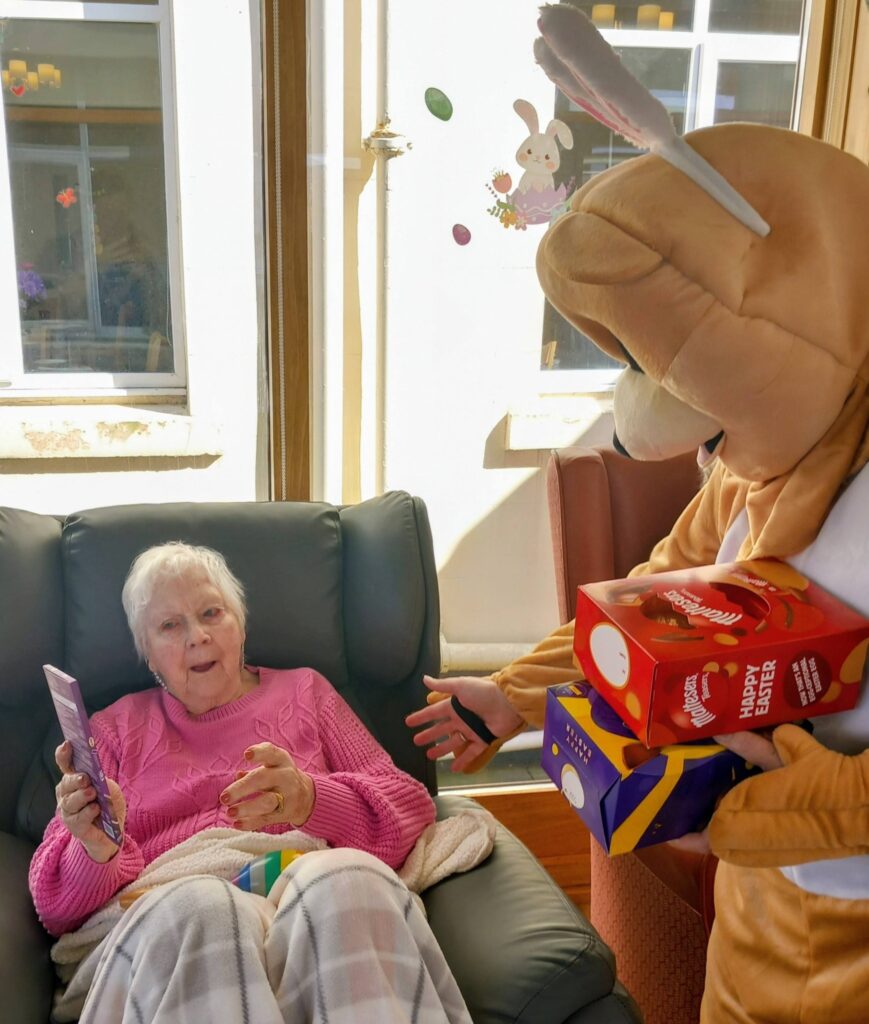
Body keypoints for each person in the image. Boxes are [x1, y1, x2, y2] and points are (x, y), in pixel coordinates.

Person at [409, 8, 869, 1024]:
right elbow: (649, 605)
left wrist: (763, 806)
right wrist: (513, 695)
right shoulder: (752, 469)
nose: (652, 429)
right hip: (762, 908)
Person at [30, 542, 471, 1024]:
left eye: (211, 612)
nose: (196, 636)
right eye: (169, 626)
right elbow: (54, 903)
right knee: (208, 908)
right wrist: (96, 845)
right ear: (149, 655)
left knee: (345, 878)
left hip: (305, 910)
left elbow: (408, 806)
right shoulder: (112, 731)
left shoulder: (306, 692)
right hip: (177, 917)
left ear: (240, 625)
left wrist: (310, 800)